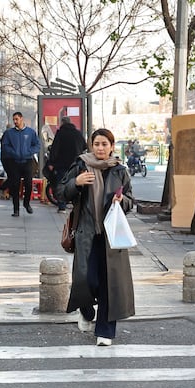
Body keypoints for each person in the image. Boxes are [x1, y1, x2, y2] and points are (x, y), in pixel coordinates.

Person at [56, 128, 135, 347]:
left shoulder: (119, 170)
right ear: (91, 146)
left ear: (111, 146)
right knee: (87, 280)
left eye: (104, 144)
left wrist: (122, 201)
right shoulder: (81, 165)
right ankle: (86, 310)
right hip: (86, 234)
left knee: (110, 285)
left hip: (111, 237)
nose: (100, 148)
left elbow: (130, 200)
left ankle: (105, 332)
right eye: (97, 144)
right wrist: (76, 183)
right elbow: (59, 192)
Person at [0, 111, 41, 216]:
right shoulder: (10, 133)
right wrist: (13, 153)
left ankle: (26, 203)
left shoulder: (30, 132)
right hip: (14, 161)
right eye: (14, 119)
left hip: (27, 161)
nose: (15, 121)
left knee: (28, 183)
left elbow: (37, 145)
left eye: (17, 119)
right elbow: (5, 145)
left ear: (21, 119)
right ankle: (16, 209)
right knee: (15, 185)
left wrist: (29, 152)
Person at [47, 116, 87, 213]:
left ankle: (62, 206)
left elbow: (55, 149)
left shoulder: (60, 133)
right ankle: (76, 205)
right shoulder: (77, 133)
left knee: (61, 184)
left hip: (62, 164)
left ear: (62, 123)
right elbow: (84, 146)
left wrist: (51, 162)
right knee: (75, 183)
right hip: (75, 163)